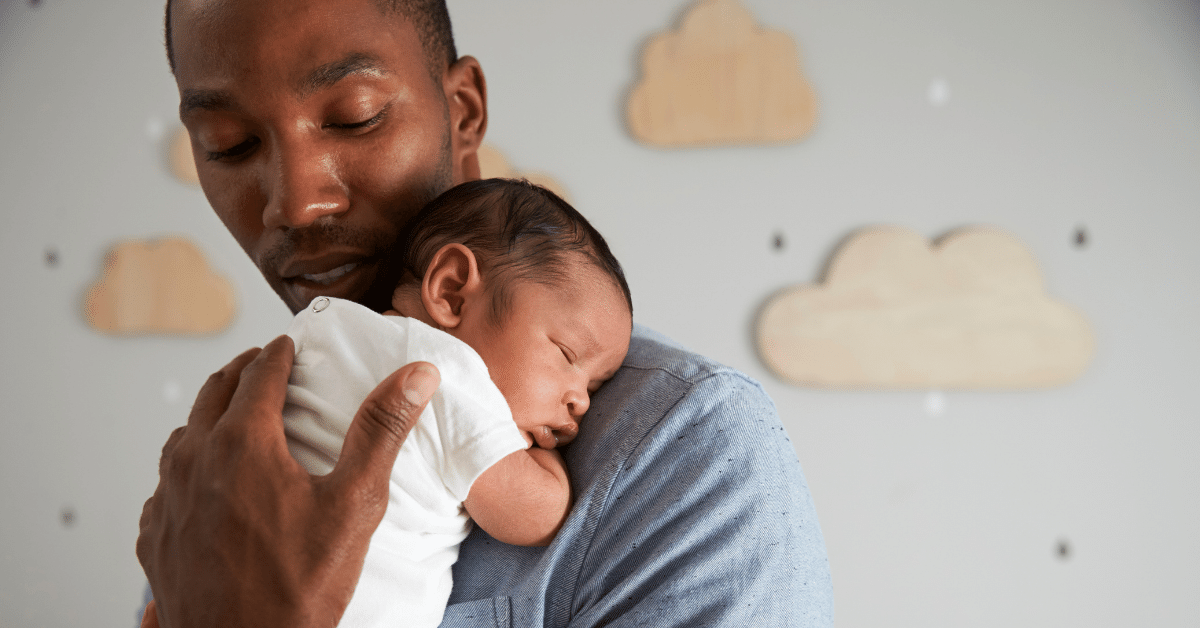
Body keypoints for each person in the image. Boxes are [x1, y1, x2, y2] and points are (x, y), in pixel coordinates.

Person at [137, 0, 835, 626]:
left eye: (355, 116)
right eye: (227, 144)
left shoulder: (684, 452)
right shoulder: (231, 446)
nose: (294, 203)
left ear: (463, 111)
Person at [282, 178, 632, 627]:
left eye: (595, 387)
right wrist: (546, 462)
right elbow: (537, 517)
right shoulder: (447, 373)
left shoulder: (322, 328)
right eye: (566, 354)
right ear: (451, 291)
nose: (581, 400)